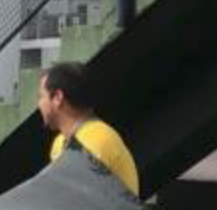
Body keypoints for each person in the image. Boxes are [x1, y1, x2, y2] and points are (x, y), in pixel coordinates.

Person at [38, 61, 140, 197]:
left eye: (41, 96)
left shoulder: (97, 139)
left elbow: (74, 200)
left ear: (57, 98)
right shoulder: (60, 142)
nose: (39, 104)